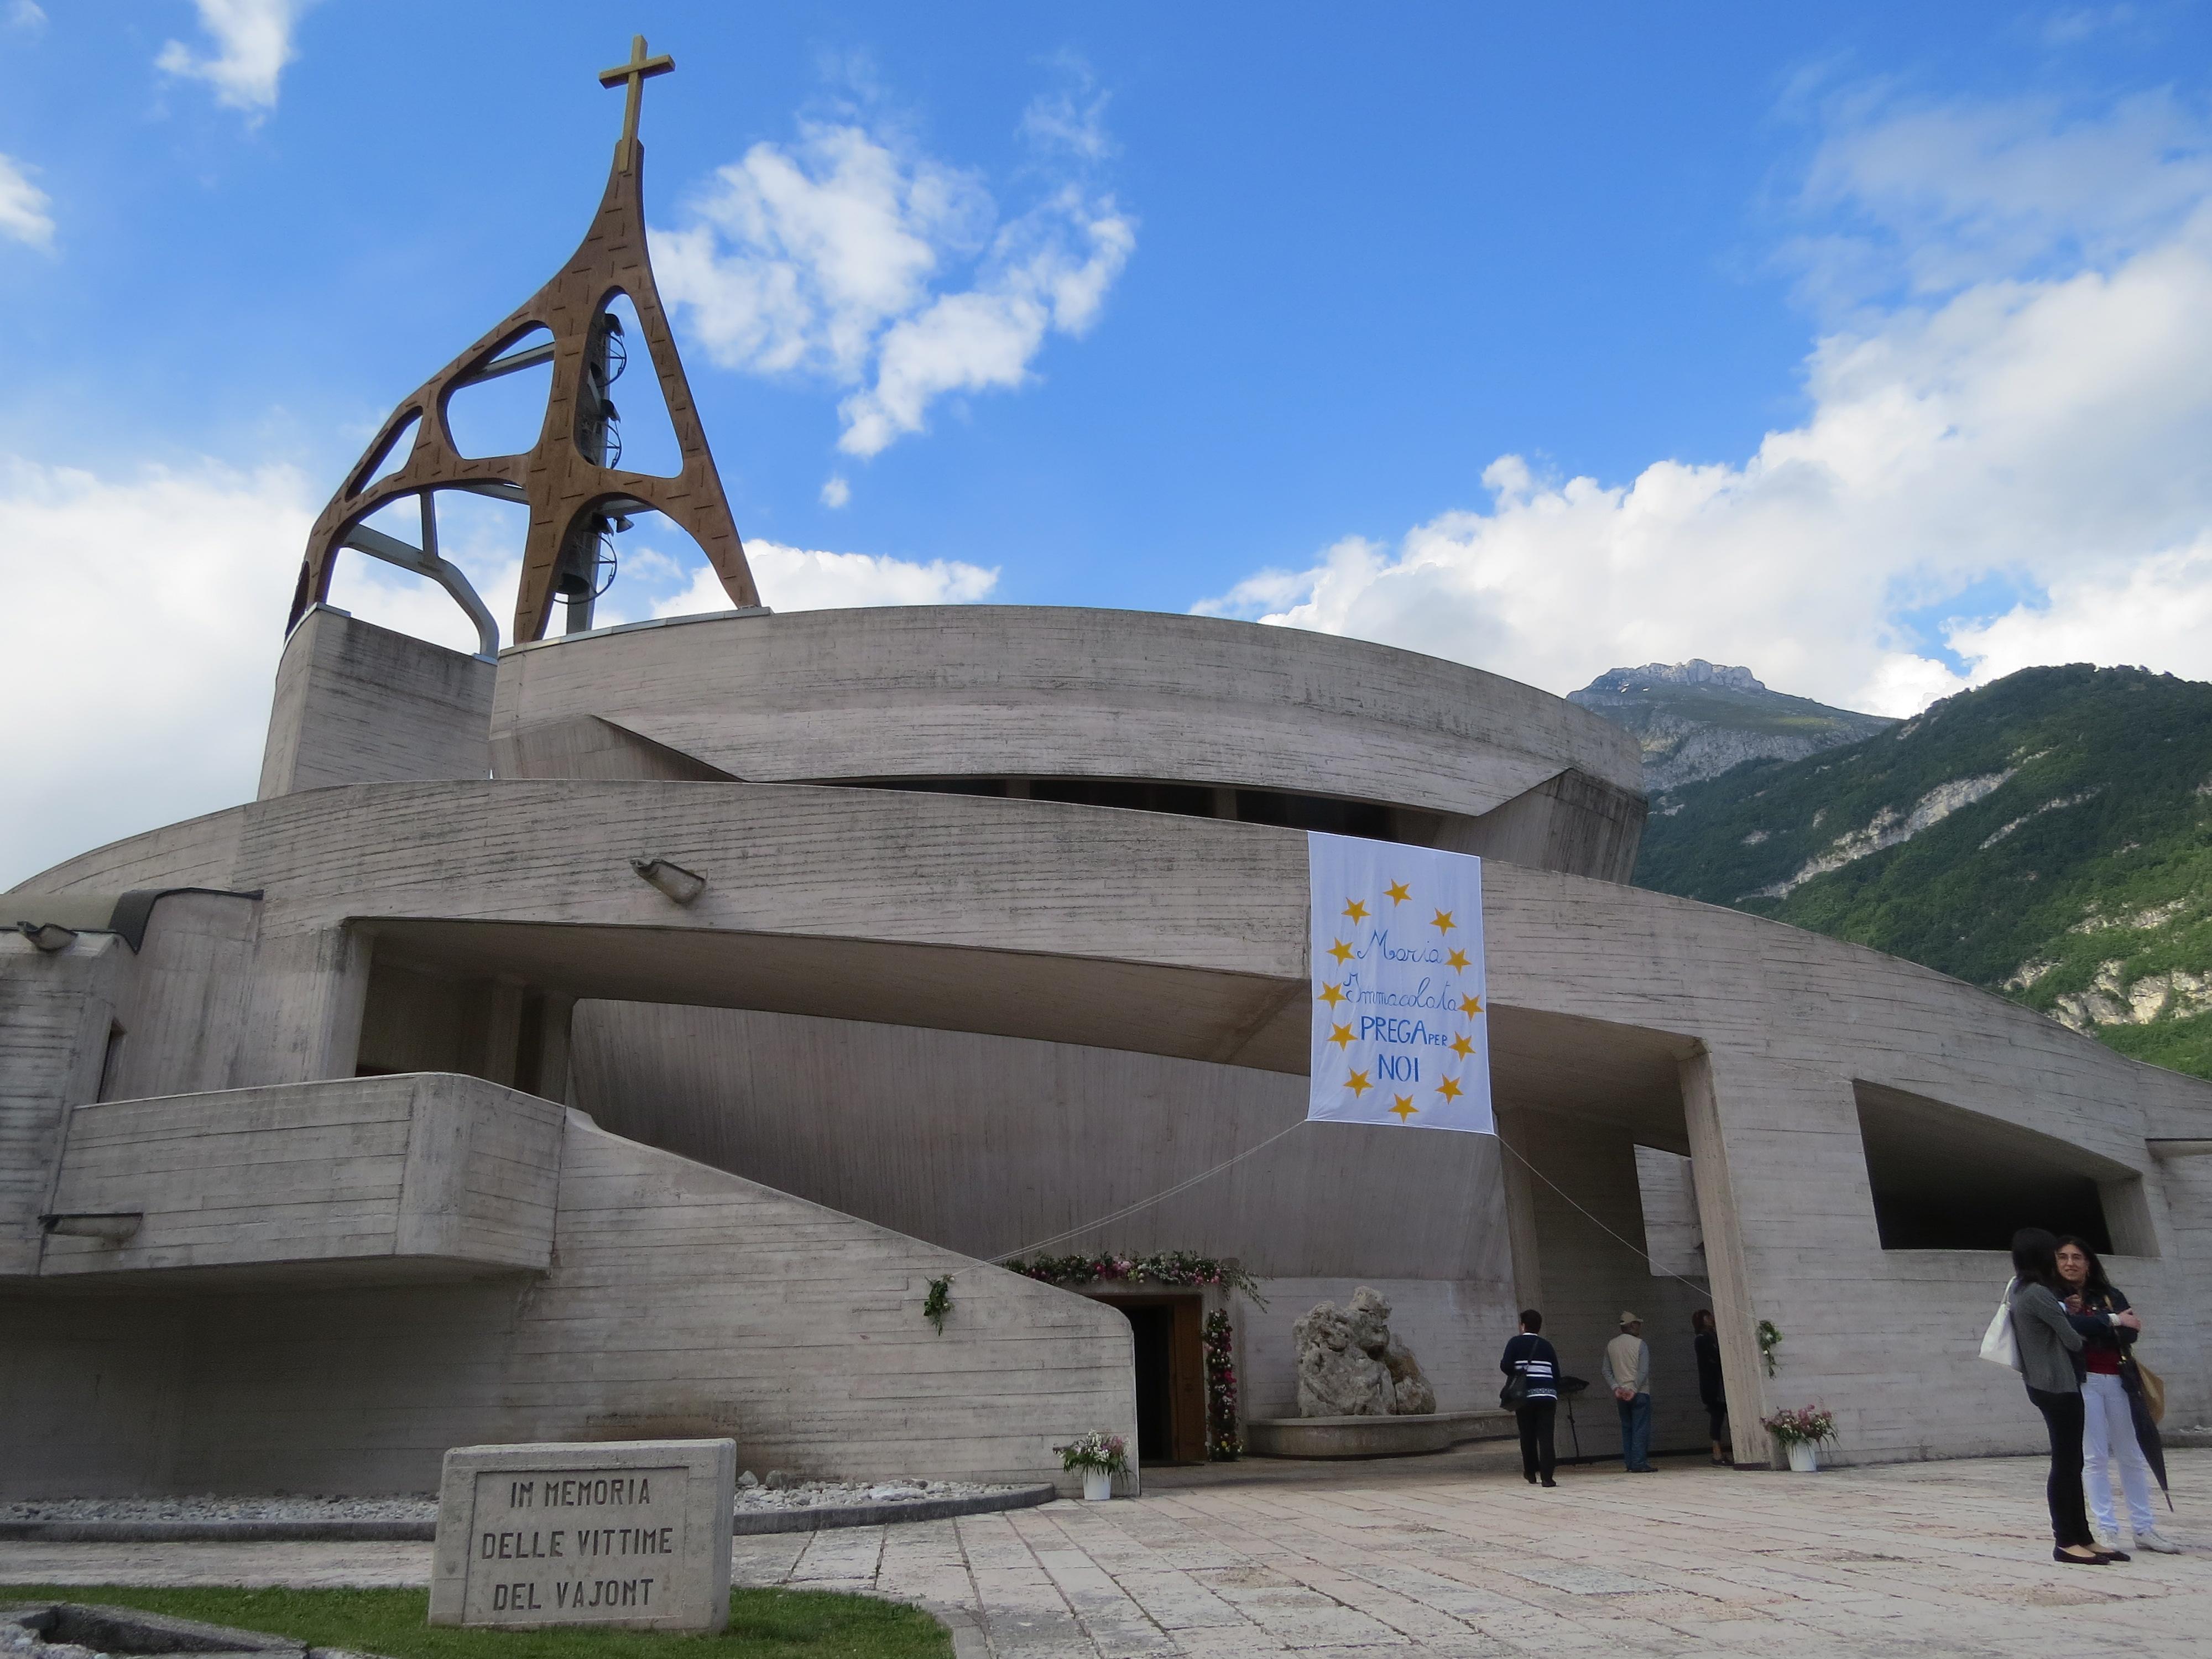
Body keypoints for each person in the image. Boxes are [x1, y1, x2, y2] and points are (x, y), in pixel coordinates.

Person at [2008, 1227, 2141, 1566]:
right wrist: (2077, 1317)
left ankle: (2083, 1536)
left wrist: (2065, 1312)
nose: (2061, 1261)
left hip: (2051, 1384)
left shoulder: (2023, 1289)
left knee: (2074, 1463)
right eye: (2055, 1254)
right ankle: (2066, 1541)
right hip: (2056, 1386)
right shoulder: (2037, 1293)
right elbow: (2071, 1340)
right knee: (2066, 1466)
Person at [2056, 1235, 2179, 1554]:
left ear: (2088, 1262)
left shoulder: (2110, 1295)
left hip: (2120, 1380)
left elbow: (2131, 1330)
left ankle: (2143, 1528)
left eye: (2077, 1257)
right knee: (2094, 1457)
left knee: (2132, 1455)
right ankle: (2106, 1529)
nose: (2070, 1263)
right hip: (2083, 1382)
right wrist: (2106, 1323)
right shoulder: (2054, 1297)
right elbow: (2067, 1329)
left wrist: (2092, 1323)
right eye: (2063, 1257)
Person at [1500, 1308, 1561, 1488]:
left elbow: (1505, 1366)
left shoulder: (1515, 1343)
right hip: (1547, 1396)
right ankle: (1548, 1478)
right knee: (1546, 1437)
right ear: (1539, 1327)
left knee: (1527, 1435)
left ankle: (1531, 1472)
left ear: (1523, 1325)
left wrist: (1518, 1372)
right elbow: (1556, 1373)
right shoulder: (1547, 1346)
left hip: (1524, 1397)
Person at [1603, 1312, 1655, 1472]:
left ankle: (1630, 1463)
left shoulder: (1611, 1345)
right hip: (1640, 1393)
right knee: (1640, 1428)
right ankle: (1639, 1463)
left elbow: (1606, 1370)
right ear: (1632, 1325)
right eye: (1638, 1324)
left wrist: (1616, 1388)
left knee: (1627, 1428)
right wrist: (1633, 1389)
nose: (1640, 1327)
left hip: (1621, 1393)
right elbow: (1643, 1371)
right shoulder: (1641, 1344)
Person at [1692, 1308, 1730, 1466]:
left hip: (1717, 1383)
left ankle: (1719, 1453)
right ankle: (1717, 1453)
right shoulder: (1702, 1339)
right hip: (1713, 1385)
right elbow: (1715, 1357)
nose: (1712, 1319)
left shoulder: (1712, 1336)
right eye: (1708, 1317)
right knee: (1717, 1417)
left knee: (1718, 1417)